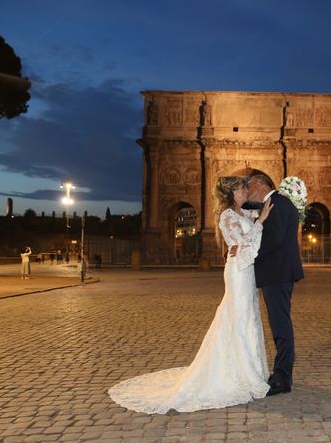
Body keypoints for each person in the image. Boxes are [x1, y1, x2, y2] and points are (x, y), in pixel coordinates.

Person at [109, 176, 274, 414]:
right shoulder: (227, 216)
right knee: (237, 317)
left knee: (248, 317)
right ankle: (239, 374)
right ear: (232, 193)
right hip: (238, 272)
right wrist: (260, 223)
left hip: (246, 271)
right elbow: (241, 242)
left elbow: (249, 240)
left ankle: (250, 371)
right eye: (241, 188)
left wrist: (262, 215)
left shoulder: (245, 213)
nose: (245, 191)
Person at [242, 173, 305, 396]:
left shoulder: (277, 203)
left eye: (247, 186)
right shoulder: (275, 202)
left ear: (259, 183)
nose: (246, 191)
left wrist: (248, 253)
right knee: (280, 323)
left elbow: (274, 239)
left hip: (278, 273)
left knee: (280, 326)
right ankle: (281, 373)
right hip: (278, 273)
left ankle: (282, 378)